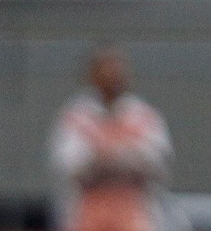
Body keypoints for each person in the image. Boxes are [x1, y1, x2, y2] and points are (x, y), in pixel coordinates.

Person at [48, 45, 185, 231]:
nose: (112, 76)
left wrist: (116, 157)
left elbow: (158, 161)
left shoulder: (143, 115)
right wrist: (106, 161)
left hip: (135, 213)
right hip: (86, 214)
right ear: (92, 74)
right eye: (105, 69)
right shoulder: (76, 116)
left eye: (116, 69)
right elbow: (67, 164)